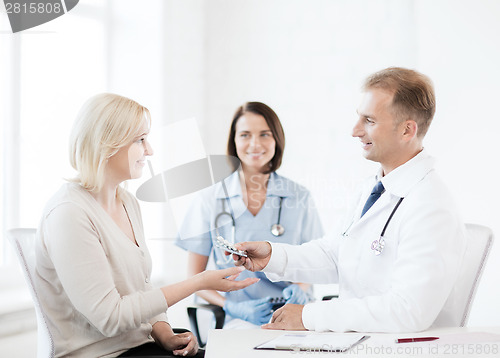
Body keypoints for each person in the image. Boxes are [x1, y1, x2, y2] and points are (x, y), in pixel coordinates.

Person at [231, 67, 467, 333]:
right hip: (361, 342)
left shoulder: (430, 205)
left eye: (369, 120)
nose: (355, 130)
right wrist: (273, 256)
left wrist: (308, 317)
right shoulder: (374, 189)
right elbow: (336, 255)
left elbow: (407, 312)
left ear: (406, 130)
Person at [34, 93, 258, 357]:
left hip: (138, 345)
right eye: (140, 140)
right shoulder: (69, 213)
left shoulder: (126, 201)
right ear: (108, 144)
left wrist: (163, 332)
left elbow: (142, 287)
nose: (149, 150)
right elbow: (111, 318)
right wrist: (198, 282)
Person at [176, 102, 324, 328]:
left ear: (276, 139)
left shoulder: (299, 197)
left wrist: (301, 289)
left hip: (294, 313)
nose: (255, 144)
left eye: (264, 134)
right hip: (239, 318)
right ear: (234, 142)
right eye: (245, 135)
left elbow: (317, 261)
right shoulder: (209, 200)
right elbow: (193, 278)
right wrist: (230, 306)